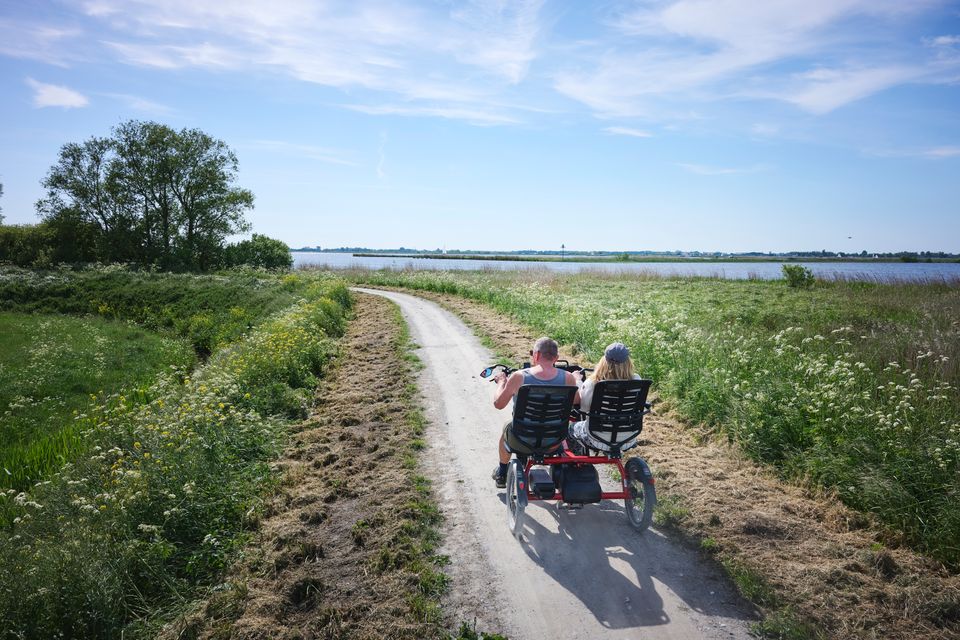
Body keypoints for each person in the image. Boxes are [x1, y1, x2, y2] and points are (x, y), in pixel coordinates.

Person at [491, 336, 579, 488]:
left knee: (506, 427)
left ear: (536, 355)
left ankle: (502, 473)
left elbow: (498, 404)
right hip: (553, 440)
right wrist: (576, 380)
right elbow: (576, 401)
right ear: (556, 358)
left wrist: (501, 383)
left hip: (522, 438)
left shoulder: (519, 376)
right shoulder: (568, 378)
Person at [569, 342, 642, 454]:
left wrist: (577, 381)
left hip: (596, 438)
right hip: (628, 438)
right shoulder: (637, 381)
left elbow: (583, 408)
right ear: (628, 362)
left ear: (604, 361)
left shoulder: (594, 383)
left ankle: (576, 464)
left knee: (571, 429)